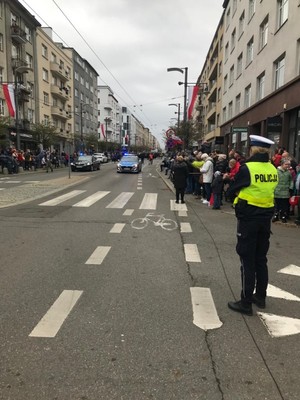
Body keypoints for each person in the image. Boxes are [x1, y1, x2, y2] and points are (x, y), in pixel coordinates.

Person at [227, 135, 278, 316]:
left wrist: (231, 196)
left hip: (248, 219)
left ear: (252, 150)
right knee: (260, 259)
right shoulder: (273, 169)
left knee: (246, 260)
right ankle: (261, 297)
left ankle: (246, 302)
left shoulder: (247, 168)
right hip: (266, 219)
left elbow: (234, 187)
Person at [272, 158, 293, 223]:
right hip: (277, 190)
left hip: (285, 191)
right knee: (277, 204)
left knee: (284, 204)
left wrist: (290, 187)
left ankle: (283, 215)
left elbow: (291, 180)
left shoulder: (288, 172)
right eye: (286, 164)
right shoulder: (276, 171)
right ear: (282, 164)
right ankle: (276, 215)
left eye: (289, 164)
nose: (287, 166)